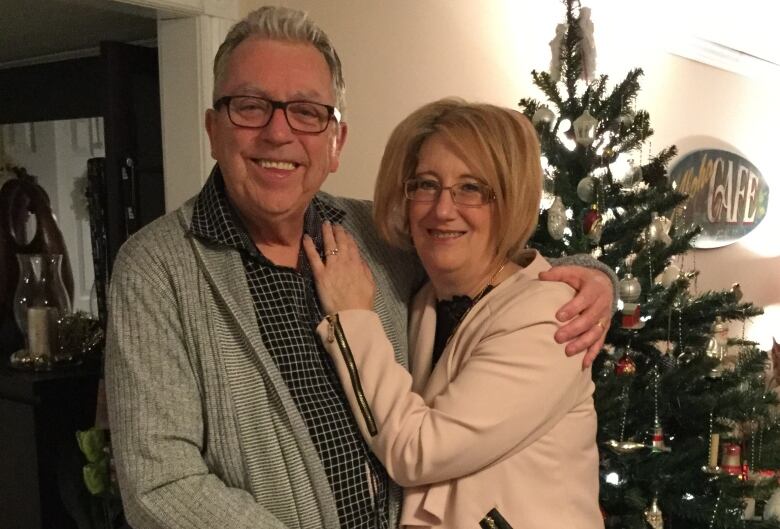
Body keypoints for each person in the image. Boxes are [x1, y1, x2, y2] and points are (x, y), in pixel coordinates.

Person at [104, 6, 613, 529]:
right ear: (213, 129)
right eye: (250, 106)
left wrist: (589, 278)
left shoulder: (375, 236)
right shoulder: (155, 270)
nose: (278, 133)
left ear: (336, 142)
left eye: (305, 111)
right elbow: (161, 485)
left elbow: (485, 257)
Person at [306, 99, 603, 529]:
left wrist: (352, 316)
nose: (442, 209)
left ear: (510, 198)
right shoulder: (427, 297)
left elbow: (417, 451)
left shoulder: (550, 317)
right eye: (426, 184)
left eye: (471, 188)